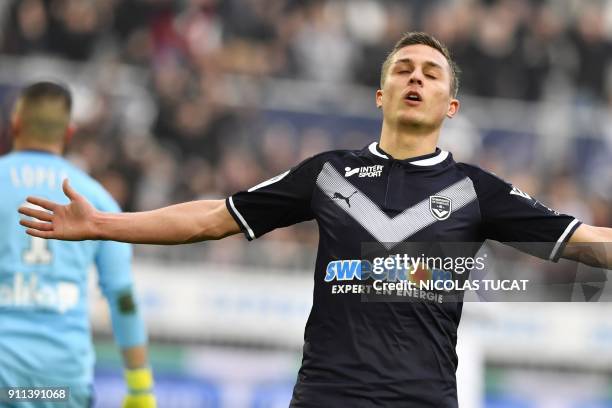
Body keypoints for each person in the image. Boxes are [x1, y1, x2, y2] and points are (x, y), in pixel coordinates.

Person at [19, 34, 611, 407]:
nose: (415, 78)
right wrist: (103, 224)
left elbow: (584, 243)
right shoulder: (328, 175)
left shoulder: (476, 191)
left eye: (431, 73)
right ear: (379, 94)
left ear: (450, 106)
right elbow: (211, 218)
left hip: (423, 399)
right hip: (327, 395)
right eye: (403, 69)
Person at [1, 81, 156, 408]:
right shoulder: (96, 199)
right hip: (62, 377)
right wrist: (140, 386)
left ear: (15, 125)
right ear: (69, 133)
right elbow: (123, 297)